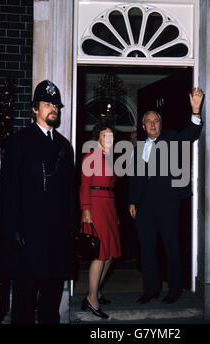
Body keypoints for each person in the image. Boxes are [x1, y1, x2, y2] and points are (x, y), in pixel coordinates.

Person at [0, 80, 76, 324]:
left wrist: (71, 229)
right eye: (47, 103)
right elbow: (7, 189)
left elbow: (71, 193)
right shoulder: (20, 142)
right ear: (34, 108)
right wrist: (14, 229)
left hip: (57, 238)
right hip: (28, 238)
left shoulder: (64, 146)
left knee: (51, 303)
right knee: (24, 302)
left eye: (56, 104)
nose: (53, 108)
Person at [128, 87, 204, 304]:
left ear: (160, 125)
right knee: (147, 248)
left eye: (156, 121)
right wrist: (132, 201)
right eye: (149, 121)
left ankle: (175, 288)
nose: (153, 124)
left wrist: (196, 111)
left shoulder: (171, 139)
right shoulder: (139, 146)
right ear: (143, 127)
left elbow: (191, 133)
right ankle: (150, 289)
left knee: (171, 245)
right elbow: (135, 177)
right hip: (144, 205)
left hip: (167, 203)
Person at [80, 119, 121, 319]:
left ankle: (96, 291)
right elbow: (84, 185)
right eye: (105, 135)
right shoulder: (91, 156)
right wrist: (86, 211)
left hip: (109, 206)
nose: (109, 138)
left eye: (111, 135)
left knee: (110, 253)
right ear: (98, 137)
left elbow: (113, 182)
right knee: (100, 254)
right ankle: (92, 299)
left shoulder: (109, 157)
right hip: (95, 206)